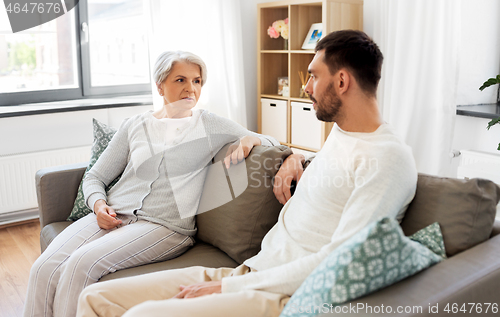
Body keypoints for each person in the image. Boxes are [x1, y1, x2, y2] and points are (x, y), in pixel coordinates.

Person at [76, 30, 418, 317]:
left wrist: (228, 287)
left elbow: (341, 260)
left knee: (139, 315)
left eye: (313, 75)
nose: (306, 87)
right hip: (251, 270)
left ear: (342, 81)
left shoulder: (388, 159)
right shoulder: (342, 135)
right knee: (95, 298)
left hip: (280, 294)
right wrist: (293, 155)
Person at [23, 51, 278, 317]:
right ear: (160, 85)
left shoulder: (210, 124)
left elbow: (272, 141)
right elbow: (95, 176)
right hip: (113, 212)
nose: (190, 88)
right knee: (44, 267)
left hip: (165, 226)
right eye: (180, 80)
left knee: (80, 265)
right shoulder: (135, 124)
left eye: (197, 81)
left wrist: (251, 140)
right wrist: (98, 205)